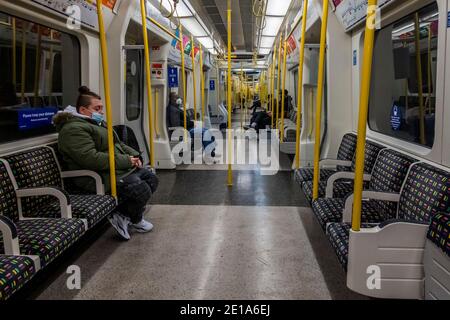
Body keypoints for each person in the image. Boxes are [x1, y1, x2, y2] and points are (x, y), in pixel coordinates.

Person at [53, 86, 159, 240]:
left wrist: (135, 155)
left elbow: (117, 144)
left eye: (101, 108)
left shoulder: (97, 124)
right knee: (140, 189)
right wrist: (126, 160)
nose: (101, 112)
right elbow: (90, 158)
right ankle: (134, 219)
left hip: (112, 169)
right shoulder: (73, 130)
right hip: (94, 176)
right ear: (83, 110)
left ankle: (123, 215)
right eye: (97, 108)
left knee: (151, 178)